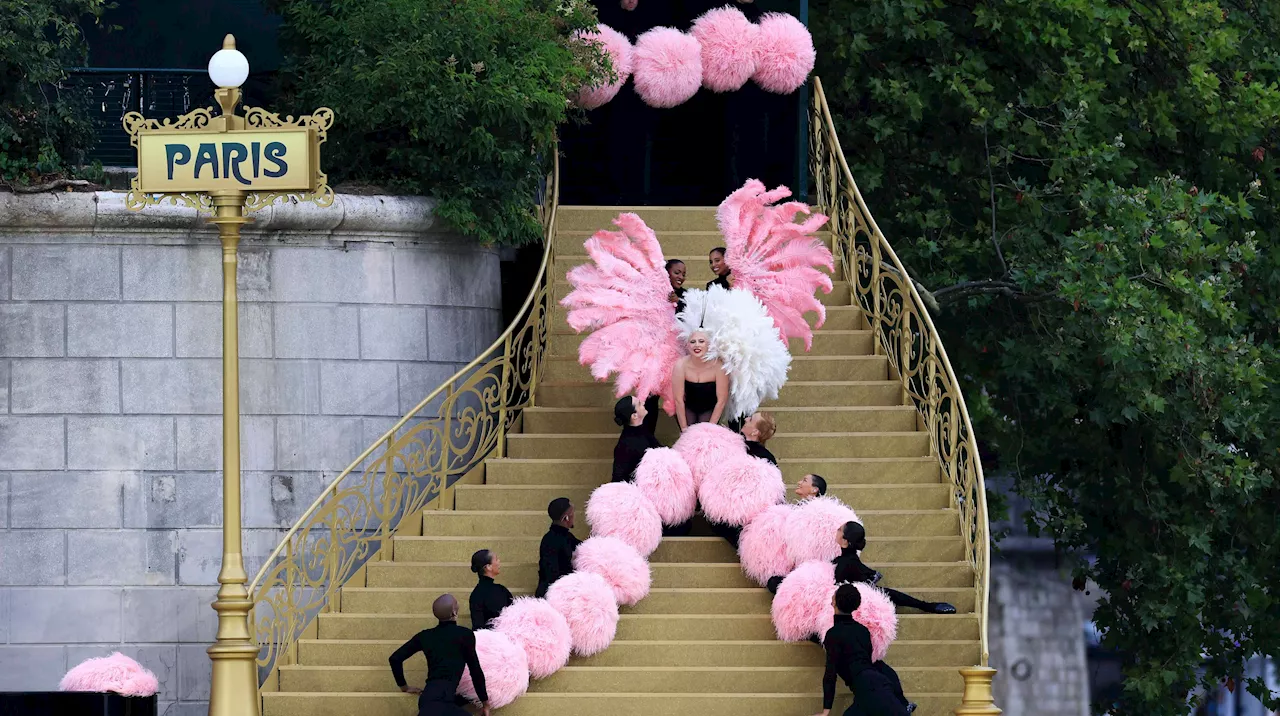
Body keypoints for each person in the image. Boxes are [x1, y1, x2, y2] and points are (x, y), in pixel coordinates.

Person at [814, 583, 915, 716]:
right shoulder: (863, 630)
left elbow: (830, 674)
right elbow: (865, 661)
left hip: (870, 690)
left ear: (834, 602)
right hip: (878, 685)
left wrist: (826, 711)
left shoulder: (833, 634)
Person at [389, 594, 491, 716]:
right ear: (454, 612)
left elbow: (395, 658)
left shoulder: (425, 636)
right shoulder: (465, 635)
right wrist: (485, 703)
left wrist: (404, 687)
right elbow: (475, 671)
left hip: (428, 700)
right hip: (442, 701)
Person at [835, 521, 957, 615]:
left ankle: (927, 606)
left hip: (856, 600)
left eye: (839, 530)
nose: (836, 530)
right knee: (888, 593)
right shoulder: (846, 559)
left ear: (845, 541)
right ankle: (926, 606)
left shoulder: (847, 562)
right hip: (851, 596)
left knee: (887, 593)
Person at [672, 330, 729, 430]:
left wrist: (710, 429)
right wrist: (684, 429)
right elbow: (678, 400)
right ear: (688, 345)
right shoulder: (680, 365)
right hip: (687, 408)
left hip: (709, 409)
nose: (696, 345)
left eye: (701, 341)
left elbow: (721, 401)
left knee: (704, 437)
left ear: (709, 345)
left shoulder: (718, 366)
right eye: (693, 342)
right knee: (688, 435)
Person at [535, 497, 582, 598]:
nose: (575, 516)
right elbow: (551, 573)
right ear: (566, 518)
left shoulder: (566, 537)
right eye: (572, 514)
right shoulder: (551, 541)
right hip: (554, 594)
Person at [613, 396, 662, 483]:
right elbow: (618, 478)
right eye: (639, 404)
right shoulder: (625, 445)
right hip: (638, 491)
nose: (643, 403)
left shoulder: (642, 429)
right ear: (634, 416)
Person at [468, 550, 513, 631]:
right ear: (488, 567)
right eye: (496, 559)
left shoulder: (475, 594)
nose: (499, 561)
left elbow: (477, 627)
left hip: (486, 640)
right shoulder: (501, 590)